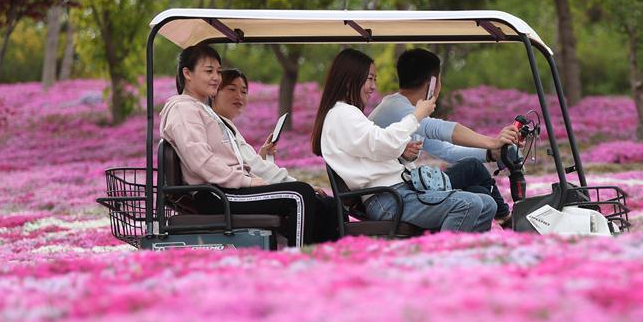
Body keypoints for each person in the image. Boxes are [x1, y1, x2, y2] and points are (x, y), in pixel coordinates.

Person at [311, 48, 512, 233]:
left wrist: (402, 154)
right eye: (370, 79)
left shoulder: (347, 114)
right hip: (389, 199)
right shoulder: (343, 114)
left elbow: (375, 149)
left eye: (375, 79)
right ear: (349, 80)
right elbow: (382, 142)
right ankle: (441, 262)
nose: (374, 86)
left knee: (487, 204)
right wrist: (416, 116)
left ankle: (462, 259)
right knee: (470, 203)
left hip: (399, 192)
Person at [159, 44, 329, 247]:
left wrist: (251, 176)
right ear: (187, 73)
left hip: (228, 189)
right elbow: (200, 160)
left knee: (324, 205)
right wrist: (246, 181)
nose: (216, 77)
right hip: (216, 195)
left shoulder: (205, 111)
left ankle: (330, 262)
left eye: (218, 71)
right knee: (299, 195)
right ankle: (295, 261)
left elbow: (230, 158)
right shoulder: (183, 110)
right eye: (208, 71)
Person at [368, 48, 516, 223]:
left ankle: (503, 224)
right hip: (392, 195)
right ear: (432, 84)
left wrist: (490, 153)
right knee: (473, 167)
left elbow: (447, 151)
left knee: (481, 193)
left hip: (405, 187)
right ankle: (508, 221)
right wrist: (492, 142)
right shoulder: (397, 108)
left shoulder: (407, 109)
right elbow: (440, 129)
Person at [209, 68, 340, 243]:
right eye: (231, 89)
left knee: (329, 205)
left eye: (244, 91)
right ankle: (300, 257)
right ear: (214, 92)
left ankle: (329, 258)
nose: (239, 96)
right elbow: (251, 167)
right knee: (302, 194)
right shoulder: (217, 125)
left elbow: (250, 164)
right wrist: (297, 183)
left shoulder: (227, 126)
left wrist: (261, 156)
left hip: (240, 187)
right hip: (226, 194)